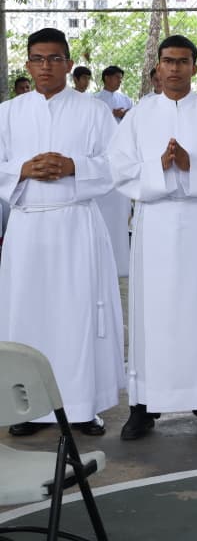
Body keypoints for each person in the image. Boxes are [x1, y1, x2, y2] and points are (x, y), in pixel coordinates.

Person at [109, 35, 197, 440]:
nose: (174, 69)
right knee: (154, 315)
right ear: (157, 67)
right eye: (168, 61)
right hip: (155, 225)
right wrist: (159, 167)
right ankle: (143, 407)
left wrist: (191, 166)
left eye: (183, 62)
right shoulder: (138, 116)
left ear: (194, 67)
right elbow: (119, 170)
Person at [0, 28, 124, 437]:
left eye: (55, 59)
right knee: (25, 317)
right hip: (28, 228)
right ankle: (26, 408)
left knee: (79, 315)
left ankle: (81, 406)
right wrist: (22, 169)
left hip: (75, 224)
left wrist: (75, 167)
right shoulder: (9, 112)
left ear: (69, 65)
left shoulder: (93, 112)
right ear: (28, 64)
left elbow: (118, 165)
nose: (46, 66)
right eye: (38, 58)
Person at [93, 65, 134, 277]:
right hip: (100, 157)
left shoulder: (126, 100)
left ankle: (120, 260)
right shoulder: (94, 101)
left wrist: (125, 115)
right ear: (106, 78)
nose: (118, 81)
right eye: (116, 77)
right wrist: (111, 113)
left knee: (120, 212)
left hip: (122, 155)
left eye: (120, 78)